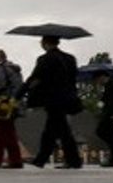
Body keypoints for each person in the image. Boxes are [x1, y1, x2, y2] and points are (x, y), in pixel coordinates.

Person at [25, 36, 82, 169]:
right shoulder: (70, 58)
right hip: (68, 98)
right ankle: (42, 159)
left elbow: (35, 78)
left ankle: (71, 160)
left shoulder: (45, 59)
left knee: (59, 131)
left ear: (45, 44)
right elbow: (74, 77)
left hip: (53, 99)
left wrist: (20, 95)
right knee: (54, 130)